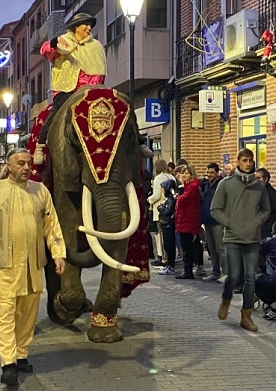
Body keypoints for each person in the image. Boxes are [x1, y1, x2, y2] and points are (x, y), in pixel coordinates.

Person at [0, 148, 66, 386]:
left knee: (27, 315)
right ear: (9, 166)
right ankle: (8, 362)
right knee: (6, 314)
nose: (26, 168)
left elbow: (52, 225)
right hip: (4, 266)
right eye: (20, 163)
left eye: (28, 163)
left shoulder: (41, 191)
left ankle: (21, 354)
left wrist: (58, 253)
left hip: (33, 265)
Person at [34, 12, 152, 165]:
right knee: (56, 110)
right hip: (67, 88)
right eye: (86, 24)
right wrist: (54, 43)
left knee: (124, 102)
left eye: (90, 25)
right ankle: (40, 146)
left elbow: (99, 72)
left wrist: (95, 87)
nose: (89, 28)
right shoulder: (63, 41)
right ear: (76, 28)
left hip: (92, 88)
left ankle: (139, 141)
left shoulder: (95, 46)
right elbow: (46, 51)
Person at [212, 148, 270, 332]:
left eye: (250, 161)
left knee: (250, 278)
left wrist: (257, 222)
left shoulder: (259, 186)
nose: (248, 163)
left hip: (252, 238)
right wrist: (229, 223)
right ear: (238, 161)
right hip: (233, 237)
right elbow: (215, 209)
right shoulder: (226, 184)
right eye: (244, 160)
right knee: (235, 275)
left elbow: (266, 209)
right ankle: (226, 299)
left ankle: (246, 316)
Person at [200, 163, 227, 283]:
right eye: (208, 172)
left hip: (217, 221)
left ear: (217, 172)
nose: (209, 175)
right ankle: (215, 272)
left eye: (212, 172)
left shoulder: (221, 185)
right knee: (211, 248)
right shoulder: (206, 184)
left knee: (220, 248)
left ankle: (226, 273)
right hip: (207, 220)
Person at [175, 165, 202, 279]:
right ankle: (187, 269)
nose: (184, 175)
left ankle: (188, 270)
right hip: (184, 220)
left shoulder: (192, 187)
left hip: (189, 221)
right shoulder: (187, 186)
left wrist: (179, 194)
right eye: (183, 173)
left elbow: (182, 201)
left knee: (187, 246)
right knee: (185, 245)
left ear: (192, 174)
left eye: (187, 173)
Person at [147, 159, 176, 268]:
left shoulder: (158, 178)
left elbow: (156, 195)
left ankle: (162, 258)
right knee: (169, 236)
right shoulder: (172, 177)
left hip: (160, 209)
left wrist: (148, 200)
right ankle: (167, 258)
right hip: (171, 208)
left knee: (160, 235)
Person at [255, 167, 276, 240]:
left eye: (258, 178)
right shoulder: (254, 193)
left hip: (266, 233)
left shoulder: (274, 196)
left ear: (266, 179)